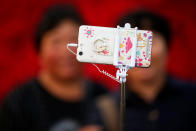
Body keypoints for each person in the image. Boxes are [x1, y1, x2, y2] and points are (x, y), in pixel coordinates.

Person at [0, 5, 107, 131]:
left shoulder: (103, 97)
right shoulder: (18, 103)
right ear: (40, 50)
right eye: (56, 42)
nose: (67, 51)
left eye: (74, 40)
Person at [114, 10, 196, 131]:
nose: (141, 54)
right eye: (133, 43)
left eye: (149, 43)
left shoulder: (192, 98)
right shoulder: (106, 108)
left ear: (167, 48)